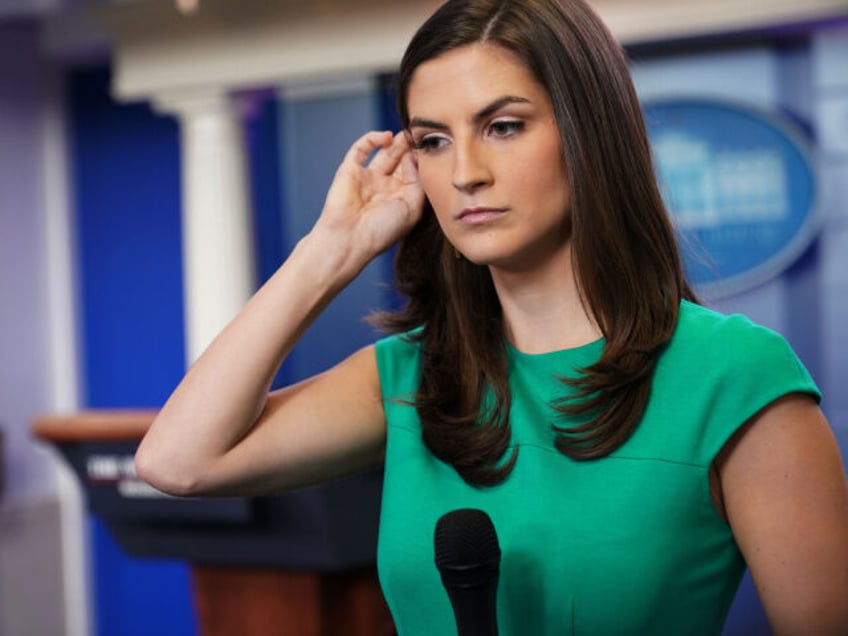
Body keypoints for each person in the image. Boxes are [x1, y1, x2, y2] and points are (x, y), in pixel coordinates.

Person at [135, 0, 848, 633]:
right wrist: (331, 249)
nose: (465, 171)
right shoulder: (414, 375)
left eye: (503, 126)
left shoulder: (733, 375)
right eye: (433, 141)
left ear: (586, 134)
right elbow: (178, 462)